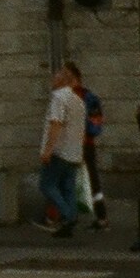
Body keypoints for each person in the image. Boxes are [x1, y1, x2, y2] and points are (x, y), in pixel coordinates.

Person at [39, 62, 88, 238]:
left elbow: (56, 123)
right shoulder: (78, 101)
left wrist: (48, 150)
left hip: (59, 151)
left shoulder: (59, 97)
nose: (53, 78)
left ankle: (68, 216)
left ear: (64, 79)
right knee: (68, 188)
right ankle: (69, 223)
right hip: (74, 152)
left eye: (57, 75)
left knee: (47, 185)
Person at [77, 69, 108, 230]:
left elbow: (95, 122)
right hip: (74, 143)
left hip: (84, 143)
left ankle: (101, 216)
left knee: (91, 178)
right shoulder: (67, 96)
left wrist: (85, 133)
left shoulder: (87, 97)